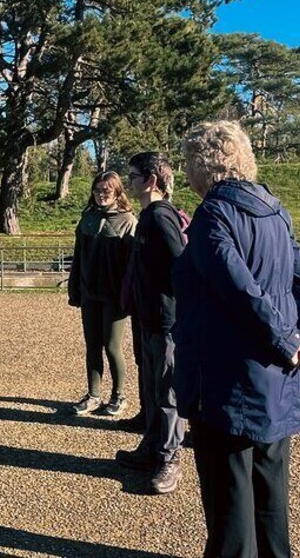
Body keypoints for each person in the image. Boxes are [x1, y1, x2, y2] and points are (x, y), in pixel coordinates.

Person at [173, 121, 300, 557]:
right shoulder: (276, 210)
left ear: (201, 166)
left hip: (228, 381)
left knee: (230, 506)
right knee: (270, 496)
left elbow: (240, 290)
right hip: (279, 378)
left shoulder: (212, 216)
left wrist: (289, 340)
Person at [115, 152, 187, 495]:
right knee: (153, 389)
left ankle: (169, 459)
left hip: (166, 321)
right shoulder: (148, 216)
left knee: (168, 391)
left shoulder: (160, 217)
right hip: (148, 319)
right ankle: (152, 448)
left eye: (133, 176)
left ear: (151, 180)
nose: (129, 182)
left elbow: (182, 267)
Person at [67, 171, 137, 416]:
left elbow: (133, 265)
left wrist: (129, 296)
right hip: (89, 293)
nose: (101, 194)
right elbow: (78, 258)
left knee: (112, 346)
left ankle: (119, 395)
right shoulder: (87, 219)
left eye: (107, 190)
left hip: (114, 297)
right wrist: (74, 288)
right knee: (92, 345)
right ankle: (93, 395)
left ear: (117, 191)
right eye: (97, 190)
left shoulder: (128, 221)